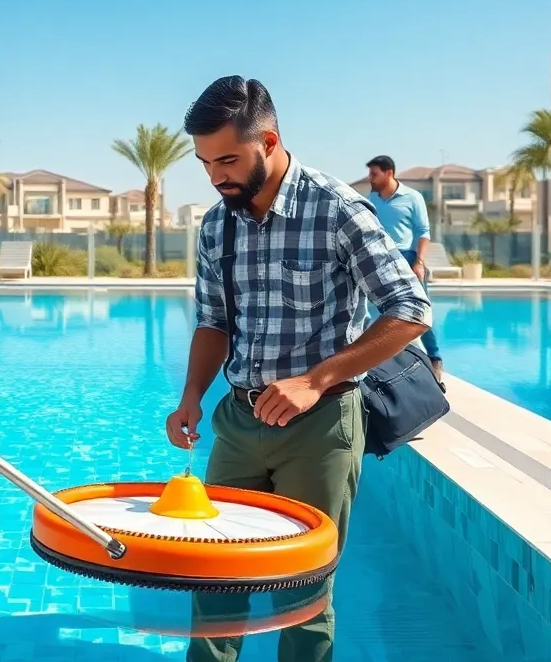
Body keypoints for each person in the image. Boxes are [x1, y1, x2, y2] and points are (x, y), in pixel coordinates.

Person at [166, 76, 432, 662]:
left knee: (305, 591)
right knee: (214, 577)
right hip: (238, 422)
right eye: (205, 163)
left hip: (321, 427)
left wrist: (315, 381)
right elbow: (213, 322)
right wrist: (191, 396)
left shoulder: (337, 208)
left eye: (229, 159)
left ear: (269, 139)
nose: (217, 176)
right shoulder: (217, 224)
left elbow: (410, 310)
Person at [364, 155, 442, 378]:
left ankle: (435, 358)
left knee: (421, 310)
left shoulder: (412, 197)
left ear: (388, 173)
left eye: (374, 174)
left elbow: (423, 232)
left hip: (408, 258)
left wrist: (419, 262)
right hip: (380, 259)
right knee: (380, 312)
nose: (370, 177)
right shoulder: (371, 199)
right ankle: (389, 360)